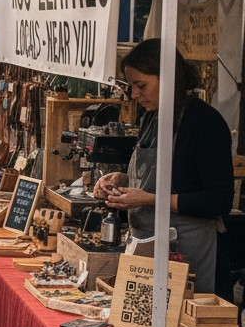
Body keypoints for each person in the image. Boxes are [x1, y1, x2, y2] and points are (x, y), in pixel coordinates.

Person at [93, 39, 233, 294]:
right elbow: (166, 176)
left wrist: (151, 199)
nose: (134, 95)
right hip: (147, 249)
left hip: (191, 253)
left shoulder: (205, 123)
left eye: (141, 86)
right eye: (131, 87)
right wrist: (122, 181)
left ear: (169, 78)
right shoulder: (151, 118)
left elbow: (219, 200)